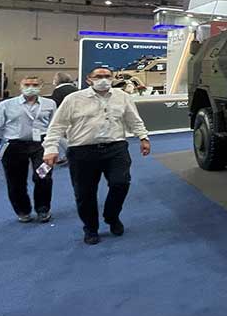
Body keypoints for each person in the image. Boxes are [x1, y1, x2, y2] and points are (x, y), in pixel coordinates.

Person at [43, 66, 151, 245]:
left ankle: (111, 216)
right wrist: (50, 148)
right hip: (82, 151)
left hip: (116, 147)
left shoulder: (122, 96)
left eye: (107, 76)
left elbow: (133, 119)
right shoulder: (73, 99)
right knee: (85, 193)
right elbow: (57, 126)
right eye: (98, 76)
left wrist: (143, 137)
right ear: (89, 79)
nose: (103, 79)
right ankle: (91, 228)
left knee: (121, 183)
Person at [0, 76, 57, 222]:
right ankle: (23, 210)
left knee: (43, 177)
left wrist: (56, 147)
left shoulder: (50, 104)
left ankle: (43, 209)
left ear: (41, 86)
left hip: (41, 145)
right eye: (27, 84)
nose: (31, 87)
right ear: (21, 86)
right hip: (14, 145)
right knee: (16, 181)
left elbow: (54, 126)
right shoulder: (6, 104)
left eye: (35, 85)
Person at [50, 72, 77, 165]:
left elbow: (55, 105)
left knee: (60, 136)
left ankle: (70, 153)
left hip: (65, 117)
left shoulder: (58, 91)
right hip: (77, 116)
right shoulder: (76, 89)